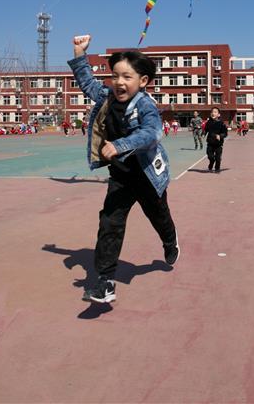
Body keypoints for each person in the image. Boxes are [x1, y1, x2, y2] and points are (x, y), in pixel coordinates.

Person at [69, 35, 179, 304]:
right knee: (110, 223)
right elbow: (87, 84)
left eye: (127, 77)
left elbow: (152, 133)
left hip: (147, 176)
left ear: (142, 81)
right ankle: (105, 281)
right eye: (115, 76)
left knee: (158, 214)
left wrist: (120, 145)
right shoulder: (107, 96)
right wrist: (79, 54)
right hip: (120, 177)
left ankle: (169, 240)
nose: (119, 82)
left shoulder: (145, 105)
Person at [202, 107, 228, 172]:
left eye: (215, 112)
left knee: (218, 158)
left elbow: (225, 133)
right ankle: (211, 162)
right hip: (210, 143)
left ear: (219, 115)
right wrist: (203, 134)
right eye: (212, 112)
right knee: (210, 156)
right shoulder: (208, 122)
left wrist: (220, 136)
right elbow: (206, 130)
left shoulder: (221, 123)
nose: (213, 113)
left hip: (218, 144)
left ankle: (217, 168)